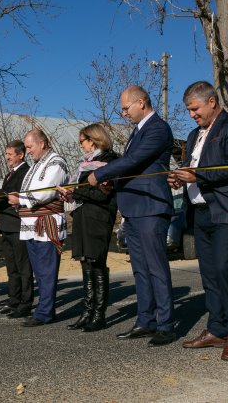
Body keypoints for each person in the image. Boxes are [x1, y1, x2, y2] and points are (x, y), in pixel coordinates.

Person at [167, 81, 228, 360]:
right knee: (208, 273)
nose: (192, 114)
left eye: (195, 108)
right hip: (199, 212)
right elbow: (192, 168)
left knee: (225, 269)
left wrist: (198, 175)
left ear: (212, 102)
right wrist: (179, 177)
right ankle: (216, 328)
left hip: (226, 209)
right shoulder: (193, 135)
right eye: (189, 110)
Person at [87, 85, 176, 346]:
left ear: (141, 103)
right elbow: (131, 171)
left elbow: (135, 160)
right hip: (133, 209)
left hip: (151, 207)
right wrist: (112, 184)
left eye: (126, 108)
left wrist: (101, 173)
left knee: (156, 267)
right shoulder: (136, 132)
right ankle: (145, 320)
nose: (124, 113)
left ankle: (166, 324)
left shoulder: (158, 128)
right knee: (140, 269)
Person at [57, 123, 118, 332]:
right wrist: (71, 193)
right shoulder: (85, 164)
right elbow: (85, 190)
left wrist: (75, 192)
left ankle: (99, 314)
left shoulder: (109, 160)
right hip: (83, 215)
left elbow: (102, 194)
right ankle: (87, 311)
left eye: (82, 141)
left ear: (93, 139)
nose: (80, 146)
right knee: (85, 262)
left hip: (99, 217)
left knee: (97, 261)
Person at [8, 128, 69, 327]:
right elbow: (28, 191)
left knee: (46, 271)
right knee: (38, 270)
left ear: (42, 144)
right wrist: (19, 200)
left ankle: (45, 313)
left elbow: (43, 194)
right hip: (31, 224)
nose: (28, 151)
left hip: (46, 224)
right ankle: (43, 308)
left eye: (29, 147)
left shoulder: (56, 162)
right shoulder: (36, 165)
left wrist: (20, 198)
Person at [0, 140, 33, 318]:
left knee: (23, 267)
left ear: (20, 155)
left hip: (19, 226)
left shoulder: (27, 172)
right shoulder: (10, 174)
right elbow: (4, 199)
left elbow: (13, 195)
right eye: (6, 154)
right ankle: (13, 301)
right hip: (6, 226)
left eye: (10, 154)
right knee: (11, 267)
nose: (7, 158)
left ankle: (25, 303)